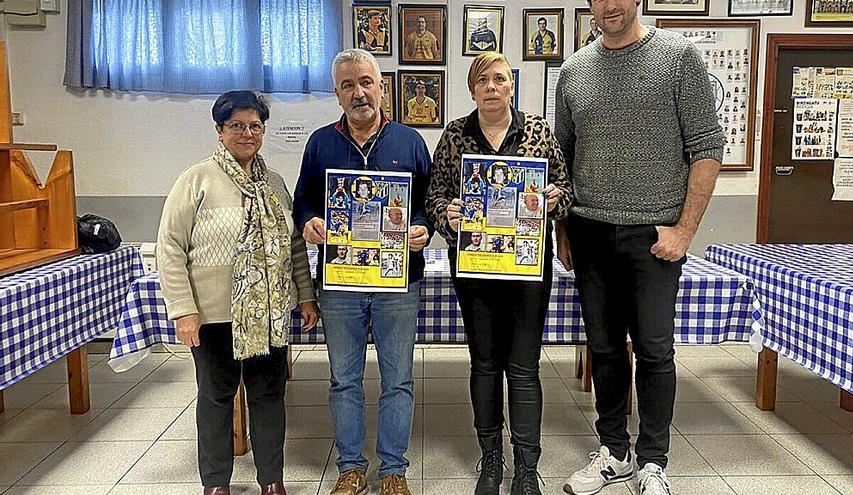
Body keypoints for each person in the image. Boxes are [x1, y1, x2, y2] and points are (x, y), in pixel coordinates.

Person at [554, 0, 725, 492]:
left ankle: (653, 460)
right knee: (605, 349)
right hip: (589, 233)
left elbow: (708, 146)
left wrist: (686, 231)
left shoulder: (679, 57)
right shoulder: (572, 70)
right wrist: (564, 231)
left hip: (654, 237)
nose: (609, 4)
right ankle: (613, 452)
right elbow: (561, 159)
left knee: (653, 350)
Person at [157, 90, 320, 495]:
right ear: (220, 130)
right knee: (216, 397)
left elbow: (294, 245)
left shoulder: (276, 185)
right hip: (214, 315)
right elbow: (170, 247)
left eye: (255, 126)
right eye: (237, 126)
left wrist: (305, 295)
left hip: (269, 314)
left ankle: (271, 481)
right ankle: (216, 484)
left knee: (268, 396)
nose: (247, 133)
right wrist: (183, 309)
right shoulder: (196, 180)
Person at [426, 52, 573, 495]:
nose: (491, 86)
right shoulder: (455, 136)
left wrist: (553, 197)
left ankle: (527, 468)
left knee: (524, 367)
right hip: (474, 269)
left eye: (500, 79)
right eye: (482, 80)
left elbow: (567, 190)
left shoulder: (538, 133)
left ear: (512, 87)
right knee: (486, 363)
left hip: (527, 268)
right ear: (472, 89)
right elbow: (433, 196)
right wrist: (446, 214)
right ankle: (491, 459)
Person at [292, 48, 432, 495]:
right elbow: (304, 202)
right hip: (340, 284)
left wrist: (424, 228)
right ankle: (351, 467)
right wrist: (310, 222)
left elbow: (430, 203)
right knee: (343, 379)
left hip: (397, 281)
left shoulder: (409, 141)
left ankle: (393, 470)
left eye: (366, 82)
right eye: (348, 85)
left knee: (399, 379)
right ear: (337, 94)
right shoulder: (320, 143)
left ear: (381, 86)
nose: (359, 93)